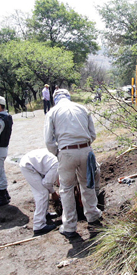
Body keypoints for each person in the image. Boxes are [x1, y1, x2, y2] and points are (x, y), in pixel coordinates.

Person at [44, 89, 103, 238]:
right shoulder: (82, 108)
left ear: (55, 99)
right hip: (86, 150)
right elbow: (93, 134)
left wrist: (58, 153)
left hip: (66, 151)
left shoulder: (52, 111)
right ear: (69, 97)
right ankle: (93, 217)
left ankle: (69, 227)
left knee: (66, 189)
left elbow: (48, 141)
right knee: (87, 184)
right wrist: (85, 146)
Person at [18, 149, 60, 236]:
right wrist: (53, 193)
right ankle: (39, 226)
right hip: (28, 166)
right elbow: (47, 183)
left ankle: (44, 214)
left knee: (41, 191)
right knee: (42, 193)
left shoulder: (57, 161)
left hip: (34, 163)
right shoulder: (57, 166)